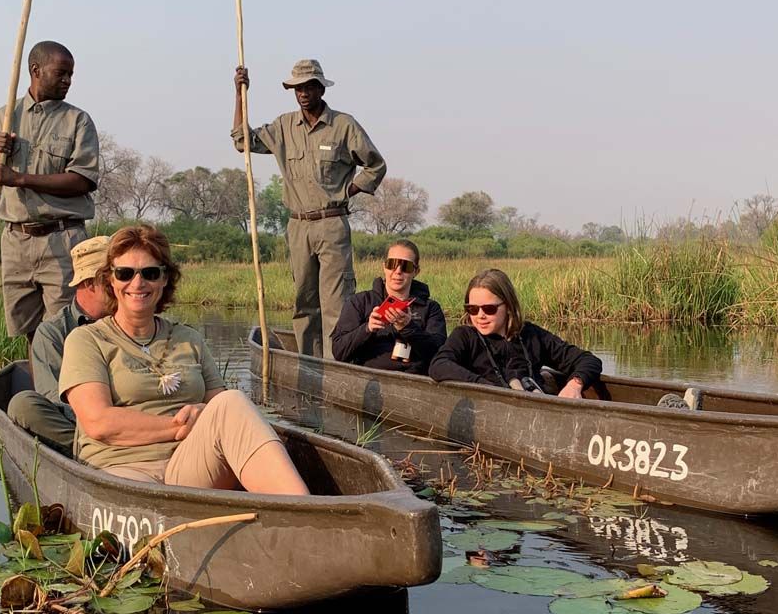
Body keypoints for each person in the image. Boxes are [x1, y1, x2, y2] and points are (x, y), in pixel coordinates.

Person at [59, 225, 310, 494]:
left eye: (150, 273)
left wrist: (204, 416)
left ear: (165, 279)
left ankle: (301, 512)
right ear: (111, 280)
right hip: (122, 466)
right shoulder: (87, 340)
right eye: (125, 273)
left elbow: (221, 410)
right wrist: (180, 426)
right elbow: (98, 423)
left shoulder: (188, 338)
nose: (138, 283)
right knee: (147, 503)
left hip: (188, 464)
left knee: (233, 401)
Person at [232, 59, 387, 359]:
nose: (303, 93)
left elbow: (375, 165)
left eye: (309, 87)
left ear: (320, 89)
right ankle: (307, 367)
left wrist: (348, 191)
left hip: (332, 225)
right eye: (297, 88)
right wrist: (240, 93)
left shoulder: (343, 126)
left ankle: (337, 366)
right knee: (304, 305)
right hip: (298, 226)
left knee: (337, 305)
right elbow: (242, 140)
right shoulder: (283, 126)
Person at [0, 40, 101, 342]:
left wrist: (18, 178)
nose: (67, 81)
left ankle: (67, 389)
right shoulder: (4, 117)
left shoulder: (78, 121)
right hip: (16, 239)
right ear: (36, 71)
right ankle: (38, 390)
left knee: (64, 331)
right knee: (30, 333)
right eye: (61, 74)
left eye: (70, 75)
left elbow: (82, 181)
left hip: (62, 238)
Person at [7, 235, 111, 453]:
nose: (124, 287)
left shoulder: (130, 321)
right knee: (25, 405)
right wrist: (102, 421)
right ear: (89, 283)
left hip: (126, 420)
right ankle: (90, 451)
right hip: (84, 426)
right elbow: (54, 400)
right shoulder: (52, 333)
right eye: (113, 280)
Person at [429, 268, 603, 397]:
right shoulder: (465, 336)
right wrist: (484, 386)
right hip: (489, 408)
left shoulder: (531, 335)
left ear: (508, 307)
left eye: (489, 309)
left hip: (535, 407)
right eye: (472, 309)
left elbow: (588, 360)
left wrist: (574, 384)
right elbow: (439, 365)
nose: (480, 316)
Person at [331, 239, 447, 372]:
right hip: (369, 379)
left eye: (406, 266)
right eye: (392, 264)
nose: (398, 271)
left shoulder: (431, 308)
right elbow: (339, 352)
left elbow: (440, 357)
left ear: (416, 271)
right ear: (384, 267)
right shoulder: (360, 302)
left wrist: (408, 328)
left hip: (415, 382)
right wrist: (367, 329)